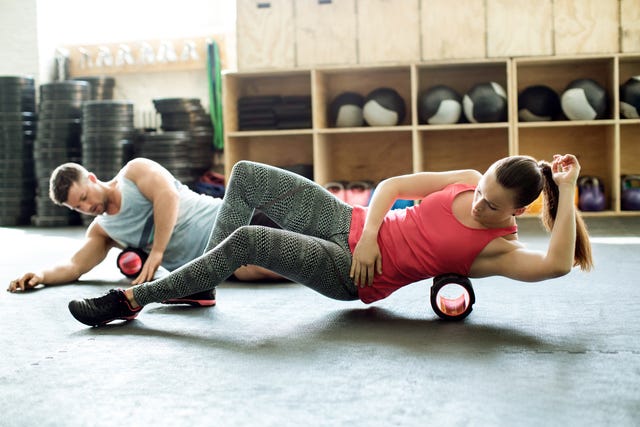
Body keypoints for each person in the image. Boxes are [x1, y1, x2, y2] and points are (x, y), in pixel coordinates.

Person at [67, 153, 593, 326]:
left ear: (516, 211)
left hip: (352, 275)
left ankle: (130, 299)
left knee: (250, 240)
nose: (478, 202)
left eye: (491, 204)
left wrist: (566, 192)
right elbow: (390, 187)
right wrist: (367, 236)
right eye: (480, 191)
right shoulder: (465, 179)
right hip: (351, 224)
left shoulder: (497, 249)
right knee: (248, 175)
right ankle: (203, 283)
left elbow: (556, 264)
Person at [7, 158, 281, 306]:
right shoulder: (104, 230)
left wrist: (158, 251)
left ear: (91, 178)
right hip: (225, 261)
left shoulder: (134, 172)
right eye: (77, 206)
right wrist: (40, 275)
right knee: (249, 270)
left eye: (84, 196)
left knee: (289, 240)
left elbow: (167, 196)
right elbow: (75, 265)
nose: (87, 206)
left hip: (238, 219)